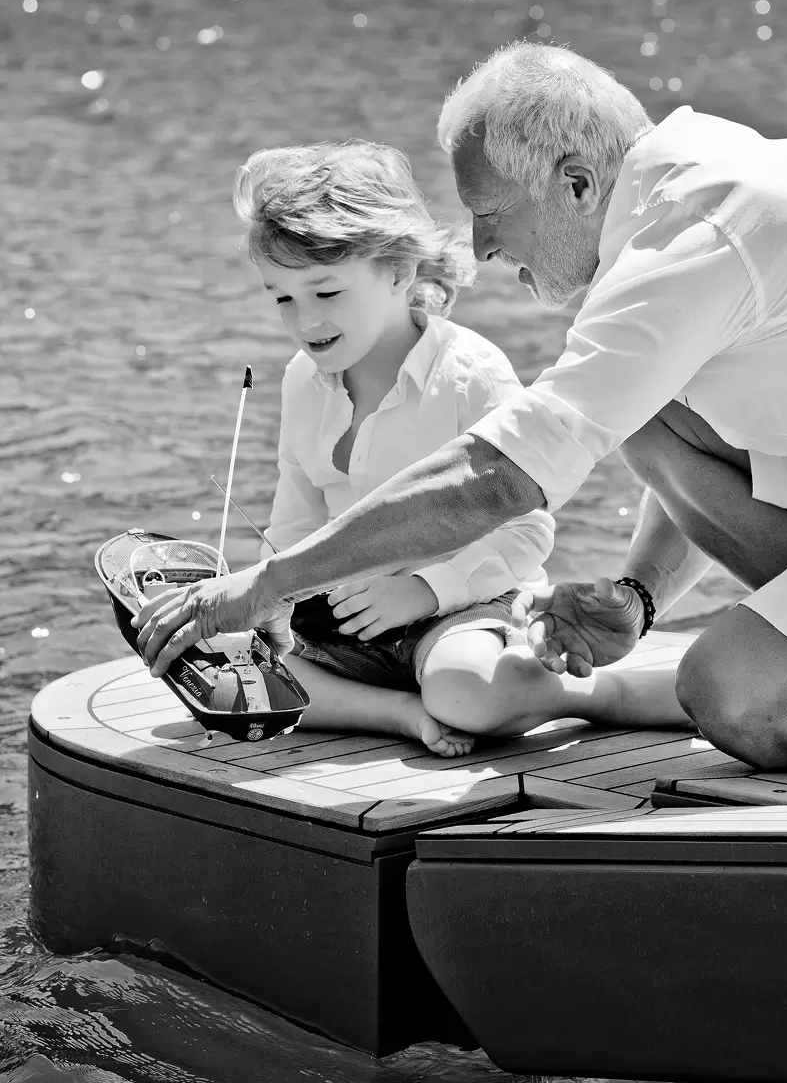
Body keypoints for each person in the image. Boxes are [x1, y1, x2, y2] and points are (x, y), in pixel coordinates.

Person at [139, 44, 787, 772]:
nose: (481, 248)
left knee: (738, 693)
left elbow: (495, 478)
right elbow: (654, 435)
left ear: (577, 185)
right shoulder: (703, 188)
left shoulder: (697, 238)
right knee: (649, 412)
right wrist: (637, 595)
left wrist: (256, 589)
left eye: (492, 213)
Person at [214, 139, 686, 757]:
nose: (305, 322)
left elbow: (525, 533)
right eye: (283, 297)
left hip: (463, 608)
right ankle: (401, 715)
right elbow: (295, 518)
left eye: (327, 293)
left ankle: (600, 695)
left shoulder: (469, 372)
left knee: (464, 687)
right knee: (228, 673)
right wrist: (272, 600)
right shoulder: (302, 380)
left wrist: (423, 590)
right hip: (344, 624)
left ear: (399, 271)